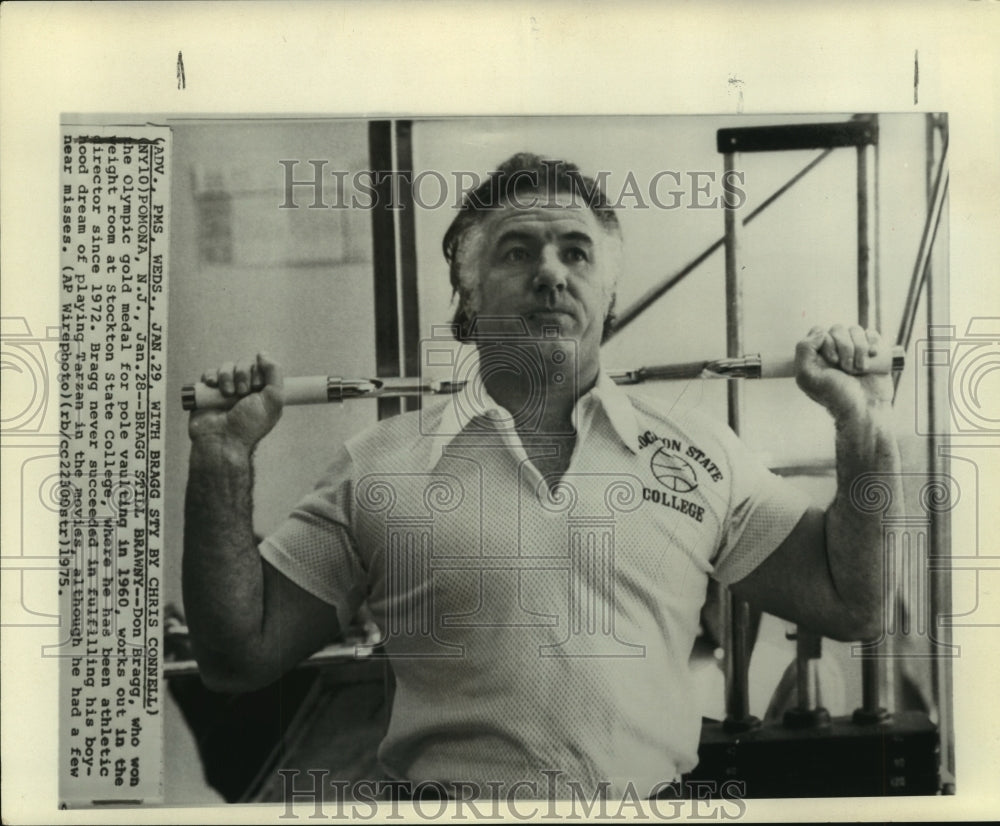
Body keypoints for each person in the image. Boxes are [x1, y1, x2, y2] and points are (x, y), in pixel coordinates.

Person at [183, 153, 901, 801]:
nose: (551, 272)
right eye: (517, 251)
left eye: (576, 253)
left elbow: (852, 602)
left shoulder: (702, 454)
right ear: (468, 299)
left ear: (607, 298)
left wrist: (864, 428)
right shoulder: (377, 467)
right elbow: (236, 655)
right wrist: (222, 458)